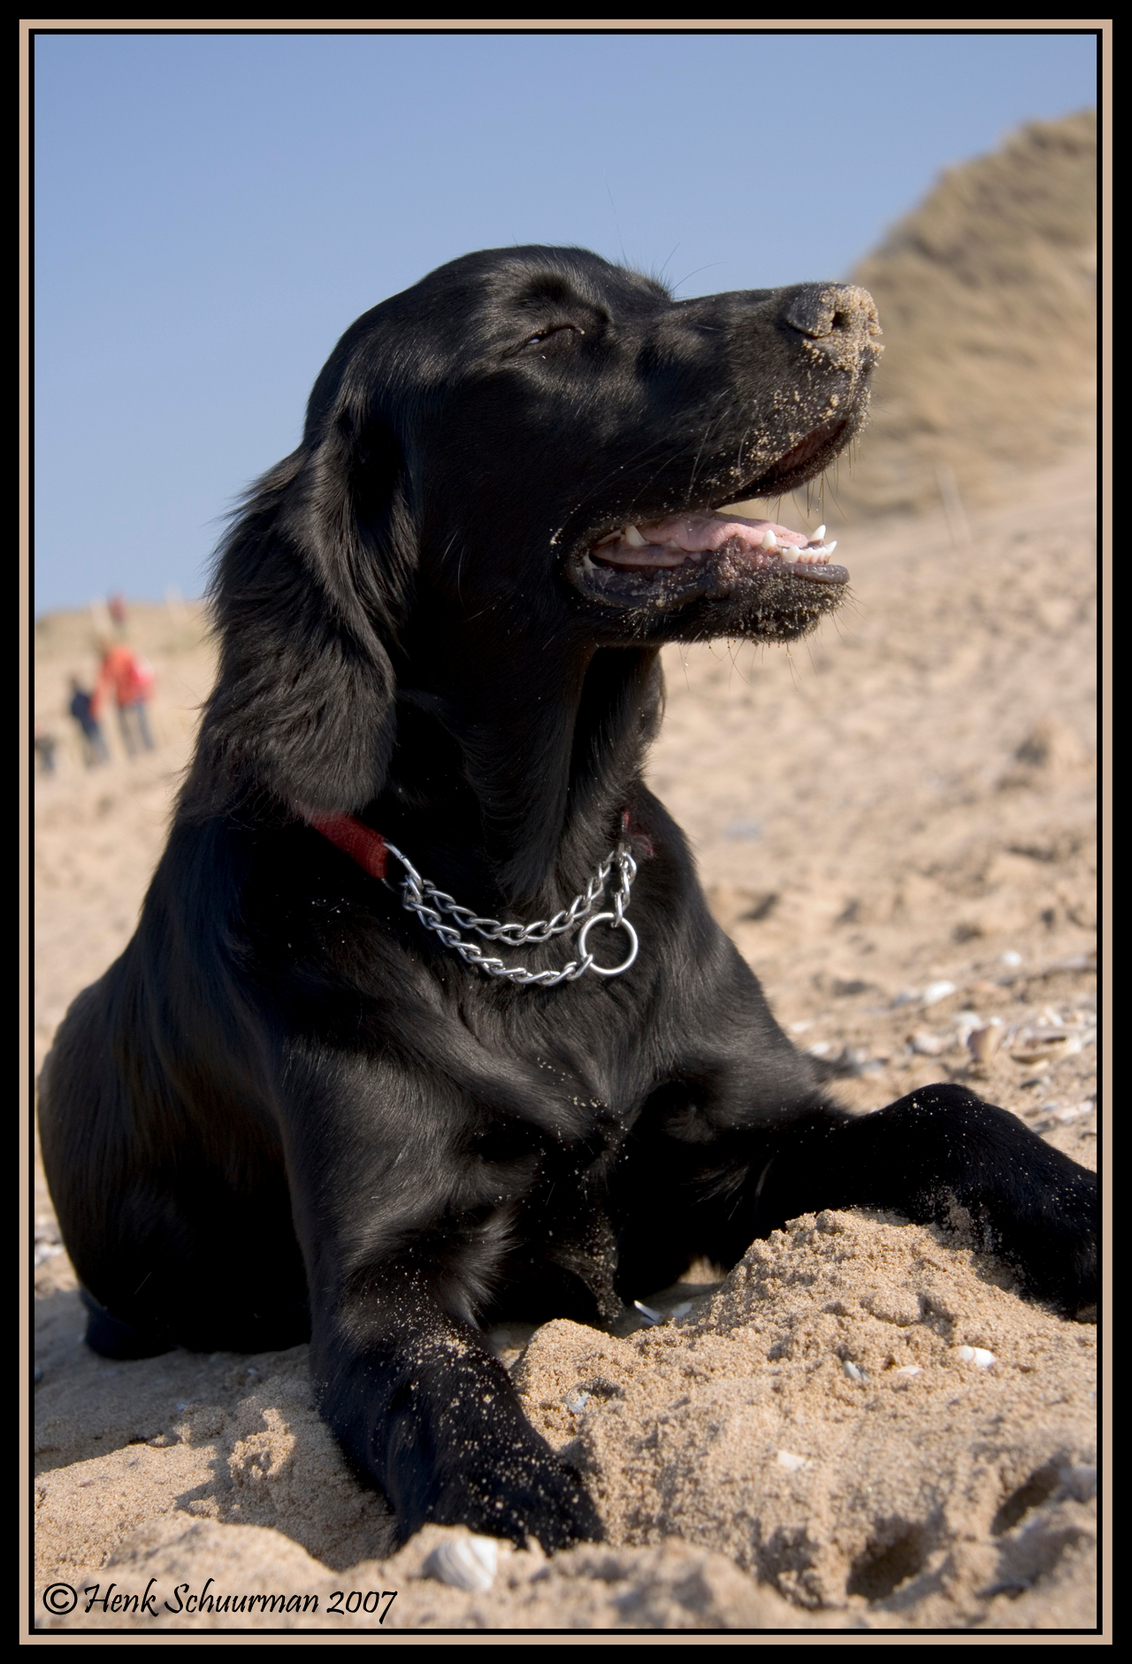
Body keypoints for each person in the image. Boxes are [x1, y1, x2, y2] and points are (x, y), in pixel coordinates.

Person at [93, 641, 156, 756]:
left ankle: (149, 750)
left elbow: (139, 672)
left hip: (134, 695)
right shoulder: (107, 661)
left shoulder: (123, 655)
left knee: (141, 724)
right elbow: (103, 684)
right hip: (123, 698)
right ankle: (135, 752)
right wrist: (97, 707)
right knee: (130, 727)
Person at [68, 677, 110, 765]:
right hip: (92, 721)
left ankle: (94, 762)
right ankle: (104, 759)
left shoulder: (73, 700)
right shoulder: (84, 695)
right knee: (99, 741)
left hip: (84, 724)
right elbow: (94, 704)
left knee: (89, 744)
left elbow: (72, 714)